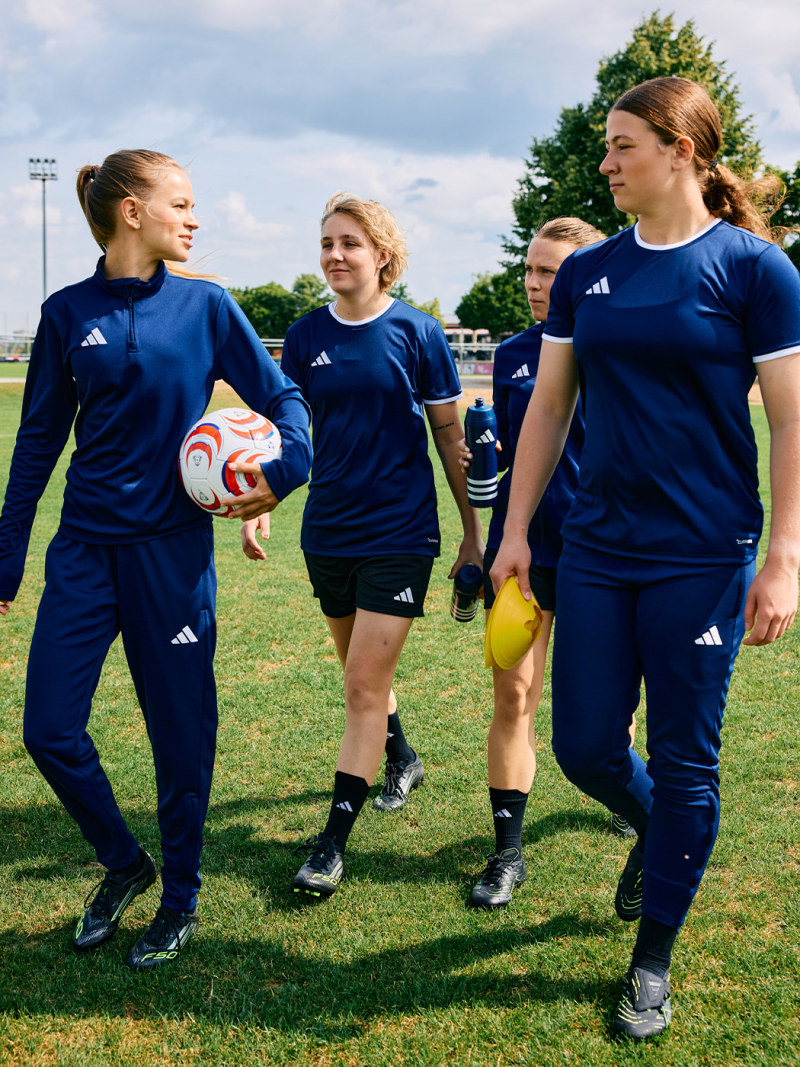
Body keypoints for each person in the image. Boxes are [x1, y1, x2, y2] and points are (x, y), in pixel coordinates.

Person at [490, 77, 800, 1039]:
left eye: (623, 145)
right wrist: (513, 530)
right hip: (595, 548)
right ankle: (662, 829)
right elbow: (549, 406)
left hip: (704, 555)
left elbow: (791, 421)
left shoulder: (756, 270)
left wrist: (784, 554)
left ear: (683, 152)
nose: (607, 161)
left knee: (686, 760)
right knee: (583, 743)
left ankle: (652, 959)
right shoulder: (590, 275)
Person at [0, 150, 312, 970]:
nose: (195, 219)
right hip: (83, 552)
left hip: (172, 557)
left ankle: (179, 895)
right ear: (131, 211)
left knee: (180, 737)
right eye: (181, 202)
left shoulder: (208, 308)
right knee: (49, 730)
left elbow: (282, 399)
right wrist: (6, 560)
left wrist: (285, 471)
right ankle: (122, 861)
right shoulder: (67, 313)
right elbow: (36, 445)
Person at [244, 192, 483, 898]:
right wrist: (265, 498)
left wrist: (472, 534)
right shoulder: (305, 333)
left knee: (359, 686)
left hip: (400, 532)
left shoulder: (418, 331)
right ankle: (400, 756)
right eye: (326, 243)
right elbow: (287, 431)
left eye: (349, 242)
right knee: (359, 672)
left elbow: (448, 436)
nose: (335, 255)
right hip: (329, 531)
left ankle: (331, 843)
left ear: (382, 253)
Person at [462, 217, 624, 911]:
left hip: (600, 554)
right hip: (523, 554)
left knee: (605, 700)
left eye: (551, 272)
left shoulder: (618, 352)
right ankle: (507, 852)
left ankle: (623, 786)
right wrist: (485, 468)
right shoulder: (514, 354)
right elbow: (512, 459)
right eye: (530, 269)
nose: (534, 283)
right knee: (513, 696)